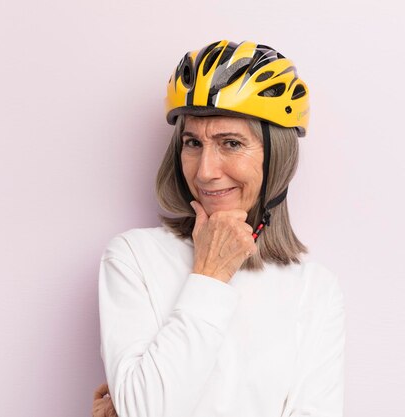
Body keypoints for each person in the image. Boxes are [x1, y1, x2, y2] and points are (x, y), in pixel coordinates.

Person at [93, 40, 345, 417]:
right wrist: (210, 274)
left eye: (230, 143)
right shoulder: (133, 257)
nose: (205, 170)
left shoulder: (314, 288)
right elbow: (147, 411)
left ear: (278, 156)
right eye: (192, 143)